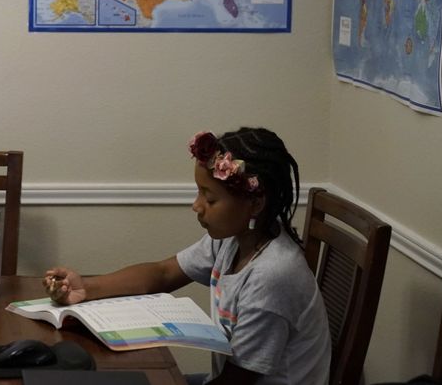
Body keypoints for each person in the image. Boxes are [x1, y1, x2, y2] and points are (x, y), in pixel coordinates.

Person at [43, 127, 331, 385]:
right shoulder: (234, 240)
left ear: (255, 203)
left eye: (210, 198)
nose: (197, 206)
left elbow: (238, 380)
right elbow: (164, 272)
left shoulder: (272, 275)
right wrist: (88, 288)